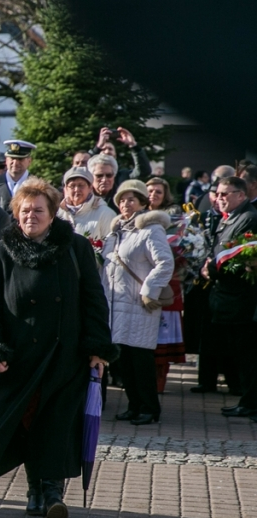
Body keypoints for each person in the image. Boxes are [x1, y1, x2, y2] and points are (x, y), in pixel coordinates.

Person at [0, 178, 116, 518]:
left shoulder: (76, 248)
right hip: (18, 357)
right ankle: (36, 489)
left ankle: (51, 491)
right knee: (27, 422)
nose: (31, 216)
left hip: (64, 354)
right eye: (25, 210)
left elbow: (94, 301)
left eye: (39, 210)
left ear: (53, 214)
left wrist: (98, 348)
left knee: (56, 421)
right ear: (16, 213)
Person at [101, 180, 175, 425]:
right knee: (124, 363)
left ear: (144, 203)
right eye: (122, 199)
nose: (125, 203)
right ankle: (134, 405)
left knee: (141, 361)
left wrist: (149, 290)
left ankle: (149, 408)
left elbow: (165, 263)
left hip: (140, 305)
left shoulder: (151, 229)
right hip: (116, 306)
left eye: (132, 199)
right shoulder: (117, 231)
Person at [204, 177, 257, 417]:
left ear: (241, 195)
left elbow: (239, 257)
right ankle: (248, 401)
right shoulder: (230, 218)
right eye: (218, 193)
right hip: (228, 298)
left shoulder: (248, 218)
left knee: (248, 356)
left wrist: (212, 269)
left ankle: (250, 402)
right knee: (240, 355)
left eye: (226, 194)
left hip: (242, 300)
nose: (220, 197)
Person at [146, 177, 186, 394]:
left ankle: (159, 384)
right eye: (149, 190)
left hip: (168, 283)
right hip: (141, 283)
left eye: (158, 192)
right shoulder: (137, 214)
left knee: (162, 342)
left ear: (165, 195)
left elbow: (183, 248)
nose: (153, 195)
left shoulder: (176, 219)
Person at [58, 166, 117, 240]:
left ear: (90, 188)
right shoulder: (58, 213)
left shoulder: (105, 213)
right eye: (72, 186)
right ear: (66, 188)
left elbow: (110, 245)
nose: (76, 189)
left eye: (81, 185)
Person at [0, 140, 36, 212]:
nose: (15, 163)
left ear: (29, 161)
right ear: (6, 160)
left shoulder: (37, 186)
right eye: (12, 158)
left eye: (20, 159)